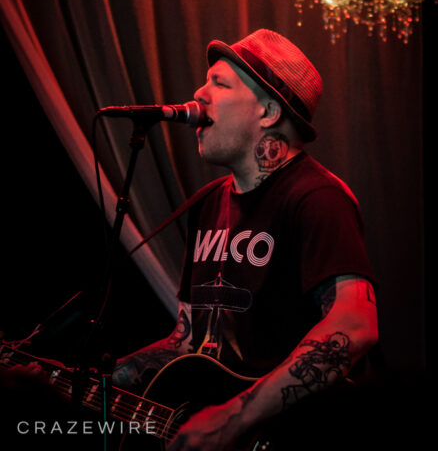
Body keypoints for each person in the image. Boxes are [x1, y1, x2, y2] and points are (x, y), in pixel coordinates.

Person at [112, 28, 378, 450]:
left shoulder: (317, 197)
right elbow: (186, 339)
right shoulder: (206, 204)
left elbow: (354, 325)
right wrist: (97, 378)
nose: (198, 93)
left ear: (268, 111)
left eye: (219, 83)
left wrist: (233, 418)